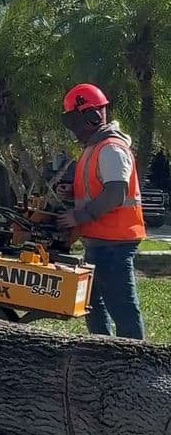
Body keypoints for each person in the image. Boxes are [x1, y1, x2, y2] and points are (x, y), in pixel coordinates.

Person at [57, 83, 146, 340]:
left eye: (75, 121)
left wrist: (78, 216)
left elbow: (115, 194)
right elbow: (96, 189)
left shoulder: (111, 149)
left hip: (115, 243)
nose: (74, 129)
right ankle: (103, 353)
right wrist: (71, 193)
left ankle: (135, 363)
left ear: (93, 116)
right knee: (93, 306)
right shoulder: (94, 148)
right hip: (100, 241)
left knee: (123, 310)